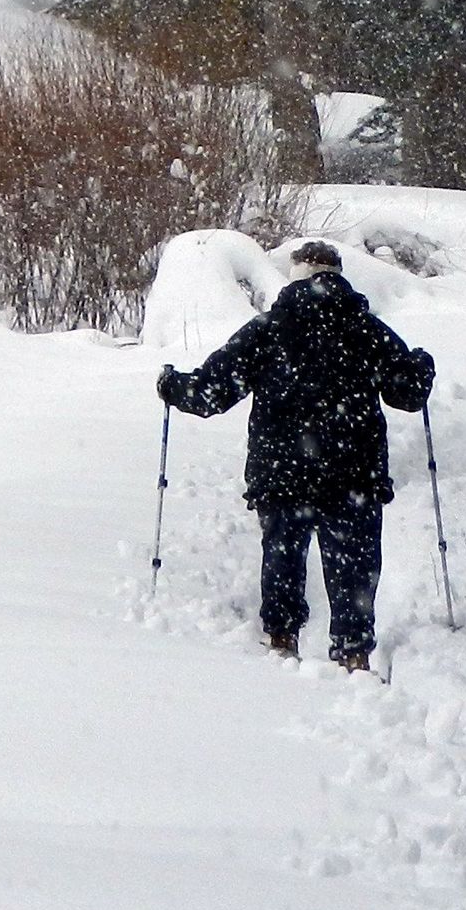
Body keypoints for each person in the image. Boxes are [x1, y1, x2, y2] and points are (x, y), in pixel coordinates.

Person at [157, 239, 435, 669]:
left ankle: (282, 642)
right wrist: (421, 365)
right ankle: (354, 655)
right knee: (354, 569)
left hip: (283, 471)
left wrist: (172, 385)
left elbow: (211, 394)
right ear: (339, 275)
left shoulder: (269, 329)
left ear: (295, 275)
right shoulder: (365, 330)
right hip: (352, 473)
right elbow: (409, 394)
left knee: (283, 556)